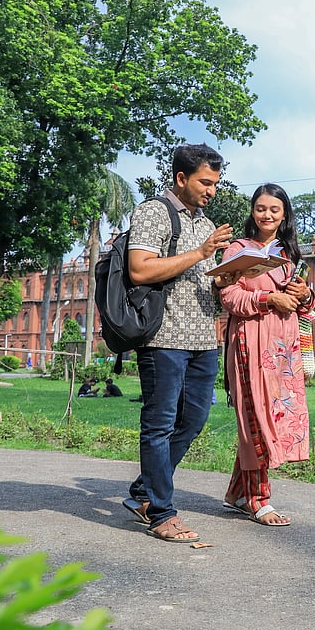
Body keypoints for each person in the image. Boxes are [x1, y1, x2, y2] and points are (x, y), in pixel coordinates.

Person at [121, 143, 233, 543]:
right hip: (163, 338)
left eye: (215, 184)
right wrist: (200, 252)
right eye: (206, 182)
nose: (212, 191)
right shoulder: (154, 212)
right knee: (159, 423)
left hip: (203, 339)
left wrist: (225, 278)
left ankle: (143, 491)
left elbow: (200, 278)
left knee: (194, 420)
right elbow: (139, 270)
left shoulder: (205, 224)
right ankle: (161, 512)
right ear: (181, 178)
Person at [217, 183, 313, 527]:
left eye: (274, 209)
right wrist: (268, 299)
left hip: (284, 349)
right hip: (250, 342)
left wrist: (304, 293)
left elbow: (305, 305)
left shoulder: (289, 255)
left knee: (271, 417)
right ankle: (259, 500)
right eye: (261, 208)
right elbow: (229, 297)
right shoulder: (238, 251)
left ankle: (239, 494)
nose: (267, 215)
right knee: (256, 417)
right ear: (252, 212)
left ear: (284, 214)